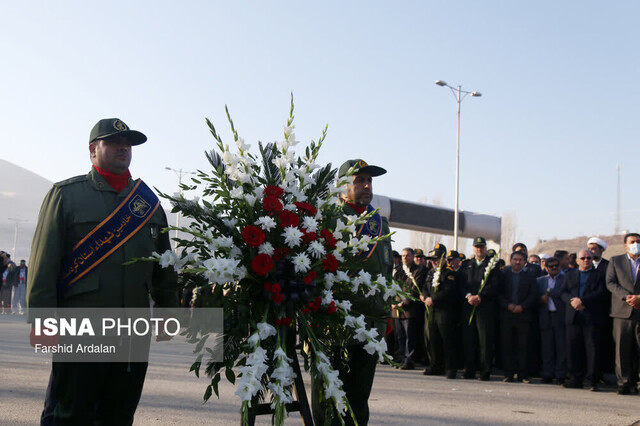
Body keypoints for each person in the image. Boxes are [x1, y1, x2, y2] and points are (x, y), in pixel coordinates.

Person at [27, 118, 178, 424]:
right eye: (114, 142)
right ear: (93, 149)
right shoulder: (66, 195)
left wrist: (168, 312)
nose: (124, 148)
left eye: (128, 144)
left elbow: (164, 264)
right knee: (70, 413)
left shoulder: (147, 204)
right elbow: (44, 264)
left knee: (119, 414)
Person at [312, 159, 393, 426]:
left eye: (369, 181)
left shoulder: (381, 223)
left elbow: (387, 271)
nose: (367, 186)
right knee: (330, 399)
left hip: (370, 326)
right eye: (359, 180)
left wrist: (386, 314)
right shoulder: (328, 218)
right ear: (343, 185)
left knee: (359, 400)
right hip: (335, 325)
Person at [561, 249, 606, 391]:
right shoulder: (570, 275)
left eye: (589, 258)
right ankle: (575, 378)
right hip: (573, 317)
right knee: (573, 348)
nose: (586, 260)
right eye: (583, 258)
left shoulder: (599, 275)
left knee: (591, 349)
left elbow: (601, 293)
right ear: (577, 260)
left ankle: (591, 380)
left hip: (591, 317)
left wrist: (583, 301)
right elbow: (563, 292)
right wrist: (572, 301)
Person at [606, 233, 640, 395]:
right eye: (632, 242)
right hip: (621, 312)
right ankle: (623, 382)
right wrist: (627, 297)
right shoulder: (616, 261)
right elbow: (610, 282)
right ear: (625, 245)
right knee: (622, 350)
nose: (636, 244)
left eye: (638, 242)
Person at [461, 237, 499, 381]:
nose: (479, 249)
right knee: (469, 340)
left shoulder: (492, 265)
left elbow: (495, 285)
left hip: (484, 307)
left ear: (485, 248)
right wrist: (469, 296)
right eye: (477, 247)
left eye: (482, 247)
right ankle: (469, 369)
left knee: (485, 340)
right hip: (469, 305)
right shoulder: (468, 265)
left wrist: (481, 297)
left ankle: (485, 370)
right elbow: (462, 284)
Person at [423, 250, 464, 379]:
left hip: (445, 311)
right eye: (433, 259)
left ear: (444, 259)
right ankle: (436, 366)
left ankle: (450, 367)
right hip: (432, 310)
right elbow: (424, 287)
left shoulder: (449, 273)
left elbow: (448, 290)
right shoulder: (431, 272)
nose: (434, 262)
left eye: (437, 259)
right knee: (433, 339)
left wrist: (433, 299)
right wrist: (425, 297)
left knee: (447, 340)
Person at [499, 251, 537, 383]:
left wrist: (523, 306)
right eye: (515, 259)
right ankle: (508, 373)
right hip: (507, 315)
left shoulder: (530, 276)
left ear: (525, 262)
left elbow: (533, 295)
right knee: (507, 345)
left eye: (520, 260)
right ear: (510, 260)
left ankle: (522, 374)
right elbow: (499, 294)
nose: (517, 262)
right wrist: (507, 305)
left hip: (523, 315)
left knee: (523, 346)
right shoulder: (504, 275)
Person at [394, 247, 427, 370]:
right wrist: (393, 302)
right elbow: (394, 287)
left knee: (410, 336)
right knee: (400, 336)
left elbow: (414, 289)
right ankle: (402, 358)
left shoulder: (418, 271)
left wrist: (403, 302)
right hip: (397, 309)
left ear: (412, 257)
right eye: (403, 256)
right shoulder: (399, 271)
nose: (405, 258)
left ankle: (409, 360)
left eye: (407, 255)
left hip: (409, 310)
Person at [537, 257, 566, 384]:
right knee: (546, 348)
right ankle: (547, 373)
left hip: (560, 317)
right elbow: (534, 296)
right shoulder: (540, 281)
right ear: (546, 268)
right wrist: (541, 298)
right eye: (551, 266)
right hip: (545, 316)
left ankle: (560, 375)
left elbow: (563, 294)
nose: (554, 268)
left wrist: (550, 292)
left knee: (561, 348)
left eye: (556, 266)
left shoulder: (565, 279)